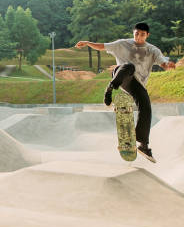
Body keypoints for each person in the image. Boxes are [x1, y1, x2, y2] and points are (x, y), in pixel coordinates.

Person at [75, 22, 175, 162]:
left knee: (146, 107)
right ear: (133, 32)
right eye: (136, 34)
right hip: (121, 76)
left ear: (147, 35)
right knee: (128, 66)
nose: (139, 37)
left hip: (136, 84)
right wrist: (87, 43)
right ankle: (109, 89)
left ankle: (143, 144)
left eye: (142, 35)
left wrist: (168, 65)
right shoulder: (122, 44)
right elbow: (103, 46)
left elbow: (163, 62)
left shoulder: (153, 50)